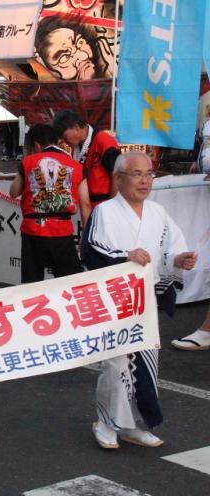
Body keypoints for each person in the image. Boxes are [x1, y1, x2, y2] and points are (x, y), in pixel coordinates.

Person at [82, 151, 197, 449]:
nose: (145, 180)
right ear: (119, 179)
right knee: (116, 362)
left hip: (145, 302)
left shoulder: (158, 214)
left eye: (149, 174)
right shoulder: (104, 212)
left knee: (146, 363)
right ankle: (107, 422)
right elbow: (92, 250)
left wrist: (178, 259)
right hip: (114, 299)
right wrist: (125, 256)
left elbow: (170, 250)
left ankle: (134, 424)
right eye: (137, 174)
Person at [10, 124, 89, 283]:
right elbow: (85, 205)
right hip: (62, 232)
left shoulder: (28, 162)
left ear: (37, 145)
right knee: (69, 283)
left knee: (31, 283)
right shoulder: (76, 166)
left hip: (33, 231)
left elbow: (13, 191)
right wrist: (85, 238)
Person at [52, 109, 120, 209]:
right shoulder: (75, 147)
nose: (64, 141)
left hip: (104, 205)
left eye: (64, 136)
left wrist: (113, 207)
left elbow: (118, 175)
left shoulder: (103, 140)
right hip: (85, 206)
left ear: (76, 127)